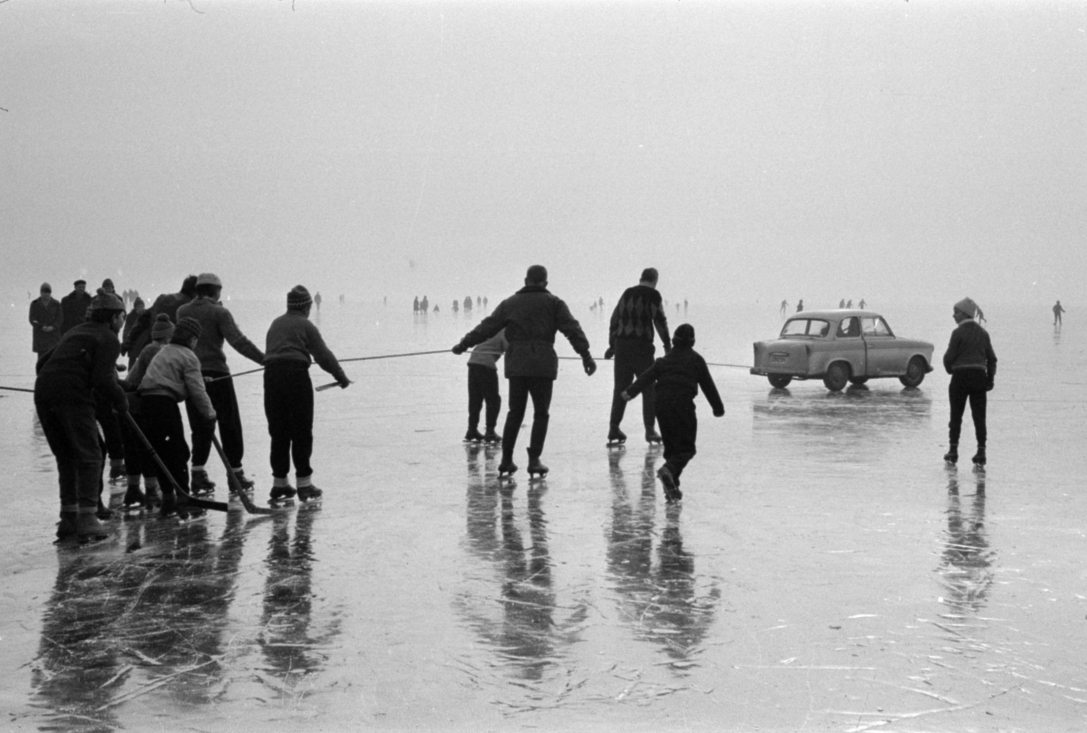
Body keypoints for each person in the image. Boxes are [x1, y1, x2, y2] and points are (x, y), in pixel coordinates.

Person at [452, 265, 596, 477]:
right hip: (543, 365)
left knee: (515, 413)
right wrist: (585, 355)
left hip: (517, 364)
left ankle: (507, 460)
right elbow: (572, 329)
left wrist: (463, 344)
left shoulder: (510, 303)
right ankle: (534, 459)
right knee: (540, 413)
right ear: (545, 283)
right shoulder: (554, 303)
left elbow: (487, 327)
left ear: (526, 280)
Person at [34, 289, 128, 542]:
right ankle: (87, 519)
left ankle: (69, 519)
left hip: (44, 391)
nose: (123, 322)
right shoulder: (109, 338)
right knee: (90, 455)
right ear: (114, 317)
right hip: (72, 395)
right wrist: (121, 401)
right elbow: (102, 380)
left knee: (66, 456)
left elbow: (41, 364)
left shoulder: (76, 331)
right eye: (123, 317)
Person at [177, 272, 265, 494]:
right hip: (218, 375)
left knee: (200, 425)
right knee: (229, 425)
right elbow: (238, 341)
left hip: (192, 374)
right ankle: (235, 475)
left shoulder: (182, 311)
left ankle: (197, 473)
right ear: (216, 291)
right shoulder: (220, 312)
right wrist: (265, 360)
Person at [263, 285, 350, 504]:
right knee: (301, 430)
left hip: (271, 377)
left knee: (279, 430)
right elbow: (322, 355)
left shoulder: (276, 323)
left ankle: (279, 484)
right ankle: (304, 484)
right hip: (295, 377)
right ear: (306, 306)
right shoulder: (305, 325)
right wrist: (340, 376)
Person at [621, 324, 725, 503]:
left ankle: (672, 487)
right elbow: (708, 385)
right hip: (683, 406)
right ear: (692, 341)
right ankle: (668, 473)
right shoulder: (696, 360)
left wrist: (629, 392)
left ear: (674, 341)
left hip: (661, 407)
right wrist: (718, 408)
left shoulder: (664, 361)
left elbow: (646, 377)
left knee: (672, 451)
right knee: (686, 448)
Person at [137, 316, 217, 518]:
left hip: (147, 403)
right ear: (192, 339)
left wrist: (198, 379)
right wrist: (209, 414)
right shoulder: (189, 356)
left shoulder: (164, 351)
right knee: (178, 451)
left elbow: (175, 378)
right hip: (164, 405)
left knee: (161, 452)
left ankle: (168, 498)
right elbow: (197, 391)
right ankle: (185, 499)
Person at [604, 267, 671, 445]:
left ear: (640, 278)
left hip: (622, 347)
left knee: (620, 387)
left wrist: (612, 345)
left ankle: (613, 428)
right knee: (648, 388)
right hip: (642, 347)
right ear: (655, 280)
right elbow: (659, 321)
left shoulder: (627, 293)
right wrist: (667, 344)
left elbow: (614, 319)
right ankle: (649, 430)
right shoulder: (653, 295)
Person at [121, 313, 177, 510]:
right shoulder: (157, 350)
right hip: (139, 403)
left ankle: (133, 489)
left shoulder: (151, 348)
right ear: (168, 336)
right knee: (149, 448)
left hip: (129, 402)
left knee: (135, 449)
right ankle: (152, 492)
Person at [942, 297, 998, 467]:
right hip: (978, 377)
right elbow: (992, 359)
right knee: (979, 417)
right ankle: (981, 452)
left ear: (964, 314)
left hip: (960, 378)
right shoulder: (983, 333)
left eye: (956, 312)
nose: (953, 315)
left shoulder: (957, 333)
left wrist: (951, 369)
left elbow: (948, 358)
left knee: (956, 416)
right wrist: (989, 380)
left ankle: (953, 451)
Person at [462, 330, 507, 444]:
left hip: (473, 362)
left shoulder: (491, 329)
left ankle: (471, 430)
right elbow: (510, 348)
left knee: (475, 399)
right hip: (486, 365)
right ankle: (490, 431)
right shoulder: (505, 332)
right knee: (493, 400)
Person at [29, 282, 63, 357]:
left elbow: (60, 318)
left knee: (52, 358)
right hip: (40, 337)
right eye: (44, 292)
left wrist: (53, 327)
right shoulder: (35, 304)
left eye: (48, 292)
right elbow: (32, 319)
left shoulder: (56, 304)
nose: (46, 294)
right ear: (41, 292)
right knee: (41, 359)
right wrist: (41, 327)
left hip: (53, 337)